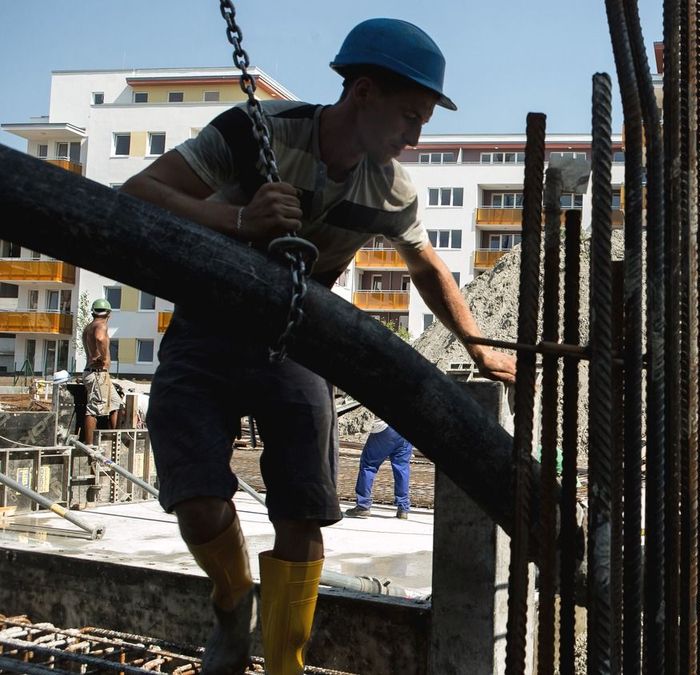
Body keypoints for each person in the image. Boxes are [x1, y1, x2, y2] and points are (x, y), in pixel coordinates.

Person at [122, 18, 516, 675]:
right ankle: (231, 602)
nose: (416, 138)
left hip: (298, 336)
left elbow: (426, 267)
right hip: (207, 327)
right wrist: (238, 218)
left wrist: (476, 345)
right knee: (198, 502)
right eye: (410, 117)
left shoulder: (389, 186)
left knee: (303, 512)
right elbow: (138, 195)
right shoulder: (258, 132)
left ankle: (283, 663)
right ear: (363, 93)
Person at [344, 419, 413, 519]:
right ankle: (403, 509)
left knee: (368, 465)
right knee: (402, 468)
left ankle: (363, 506)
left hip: (386, 429)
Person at [80, 298, 121, 443]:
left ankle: (115, 439)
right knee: (94, 408)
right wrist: (104, 358)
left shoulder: (89, 326)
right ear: (108, 314)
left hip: (96, 374)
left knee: (116, 403)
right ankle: (89, 445)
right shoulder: (100, 325)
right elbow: (100, 338)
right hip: (97, 374)